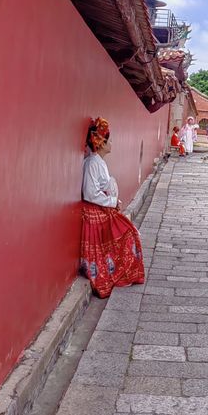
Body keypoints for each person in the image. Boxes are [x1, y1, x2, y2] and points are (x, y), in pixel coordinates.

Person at [80, 117, 145, 298]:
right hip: (94, 210)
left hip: (102, 207)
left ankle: (121, 270)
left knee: (129, 231)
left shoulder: (98, 162)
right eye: (109, 140)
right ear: (100, 144)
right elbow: (90, 193)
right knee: (128, 232)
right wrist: (112, 202)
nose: (111, 144)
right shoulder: (93, 163)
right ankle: (117, 271)